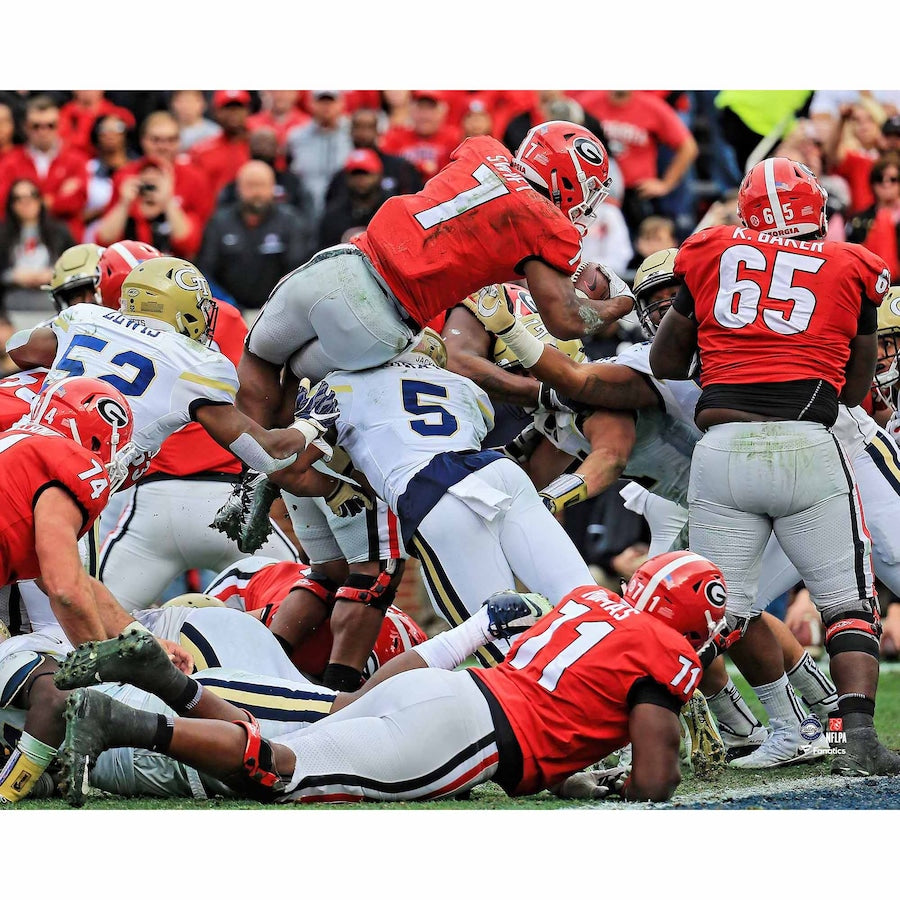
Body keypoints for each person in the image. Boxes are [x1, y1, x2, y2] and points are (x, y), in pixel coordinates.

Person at [59, 551, 727, 806]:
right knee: (280, 772)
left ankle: (168, 689)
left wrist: (568, 776)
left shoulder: (587, 603)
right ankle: (128, 723)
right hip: (469, 733)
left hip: (454, 691)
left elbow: (555, 705)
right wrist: (624, 792)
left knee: (287, 741)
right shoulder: (668, 650)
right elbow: (657, 775)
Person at [647, 156, 900, 776]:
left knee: (717, 611)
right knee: (847, 605)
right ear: (817, 210)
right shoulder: (851, 265)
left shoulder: (707, 254)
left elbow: (665, 363)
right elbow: (854, 386)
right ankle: (850, 744)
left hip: (723, 448)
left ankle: (662, 736)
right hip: (807, 443)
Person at [239, 119, 634, 409]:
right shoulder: (549, 227)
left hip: (340, 265)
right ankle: (276, 483)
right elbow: (564, 319)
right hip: (381, 318)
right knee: (298, 386)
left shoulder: (483, 147)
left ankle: (247, 479)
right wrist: (619, 305)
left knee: (259, 360)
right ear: (570, 181)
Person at [271, 330, 597, 668]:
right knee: (587, 604)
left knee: (502, 647)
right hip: (500, 474)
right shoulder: (464, 387)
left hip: (436, 495)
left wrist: (335, 488)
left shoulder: (341, 386)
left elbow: (286, 467)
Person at [5, 255, 337, 515]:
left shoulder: (85, 317)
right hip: (70, 485)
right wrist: (310, 425)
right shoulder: (196, 363)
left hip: (18, 451)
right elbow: (266, 455)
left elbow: (19, 350)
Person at [196, 159, 314, 314]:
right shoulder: (219, 222)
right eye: (250, 185)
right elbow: (205, 272)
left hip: (277, 310)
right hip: (229, 311)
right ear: (238, 188)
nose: (257, 192)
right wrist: (228, 306)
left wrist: (274, 306)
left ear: (273, 188)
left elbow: (298, 271)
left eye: (262, 185)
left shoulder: (291, 222)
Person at [0, 95, 89, 241]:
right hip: (20, 241)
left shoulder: (77, 159)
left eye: (50, 125)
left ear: (60, 125)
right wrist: (56, 199)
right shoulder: (10, 160)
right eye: (36, 126)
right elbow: (4, 203)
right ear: (25, 127)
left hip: (67, 240)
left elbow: (76, 202)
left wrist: (27, 201)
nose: (43, 131)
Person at [0, 178, 73, 311]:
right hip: (11, 303)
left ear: (40, 200)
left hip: (53, 302)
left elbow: (75, 268)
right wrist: (11, 276)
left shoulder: (59, 232)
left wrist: (54, 274)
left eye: (31, 196)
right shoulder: (2, 235)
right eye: (18, 198)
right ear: (11, 204)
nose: (26, 203)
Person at [285, 90, 354, 223]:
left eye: (331, 102)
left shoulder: (352, 133)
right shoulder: (296, 137)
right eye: (321, 102)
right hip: (306, 212)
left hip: (344, 214)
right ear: (311, 104)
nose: (326, 107)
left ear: (341, 104)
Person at [316, 148, 390, 249]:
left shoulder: (390, 211)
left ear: (379, 175)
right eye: (355, 174)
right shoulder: (333, 215)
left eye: (366, 174)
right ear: (346, 177)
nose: (360, 180)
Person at [846, 152, 900, 282]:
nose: (886, 184)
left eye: (893, 179)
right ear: (872, 183)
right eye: (879, 179)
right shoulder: (857, 220)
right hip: (869, 287)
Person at [189, 90, 253, 199]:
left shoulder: (259, 146)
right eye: (227, 108)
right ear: (216, 112)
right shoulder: (201, 151)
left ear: (247, 111)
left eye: (238, 107)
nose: (233, 113)